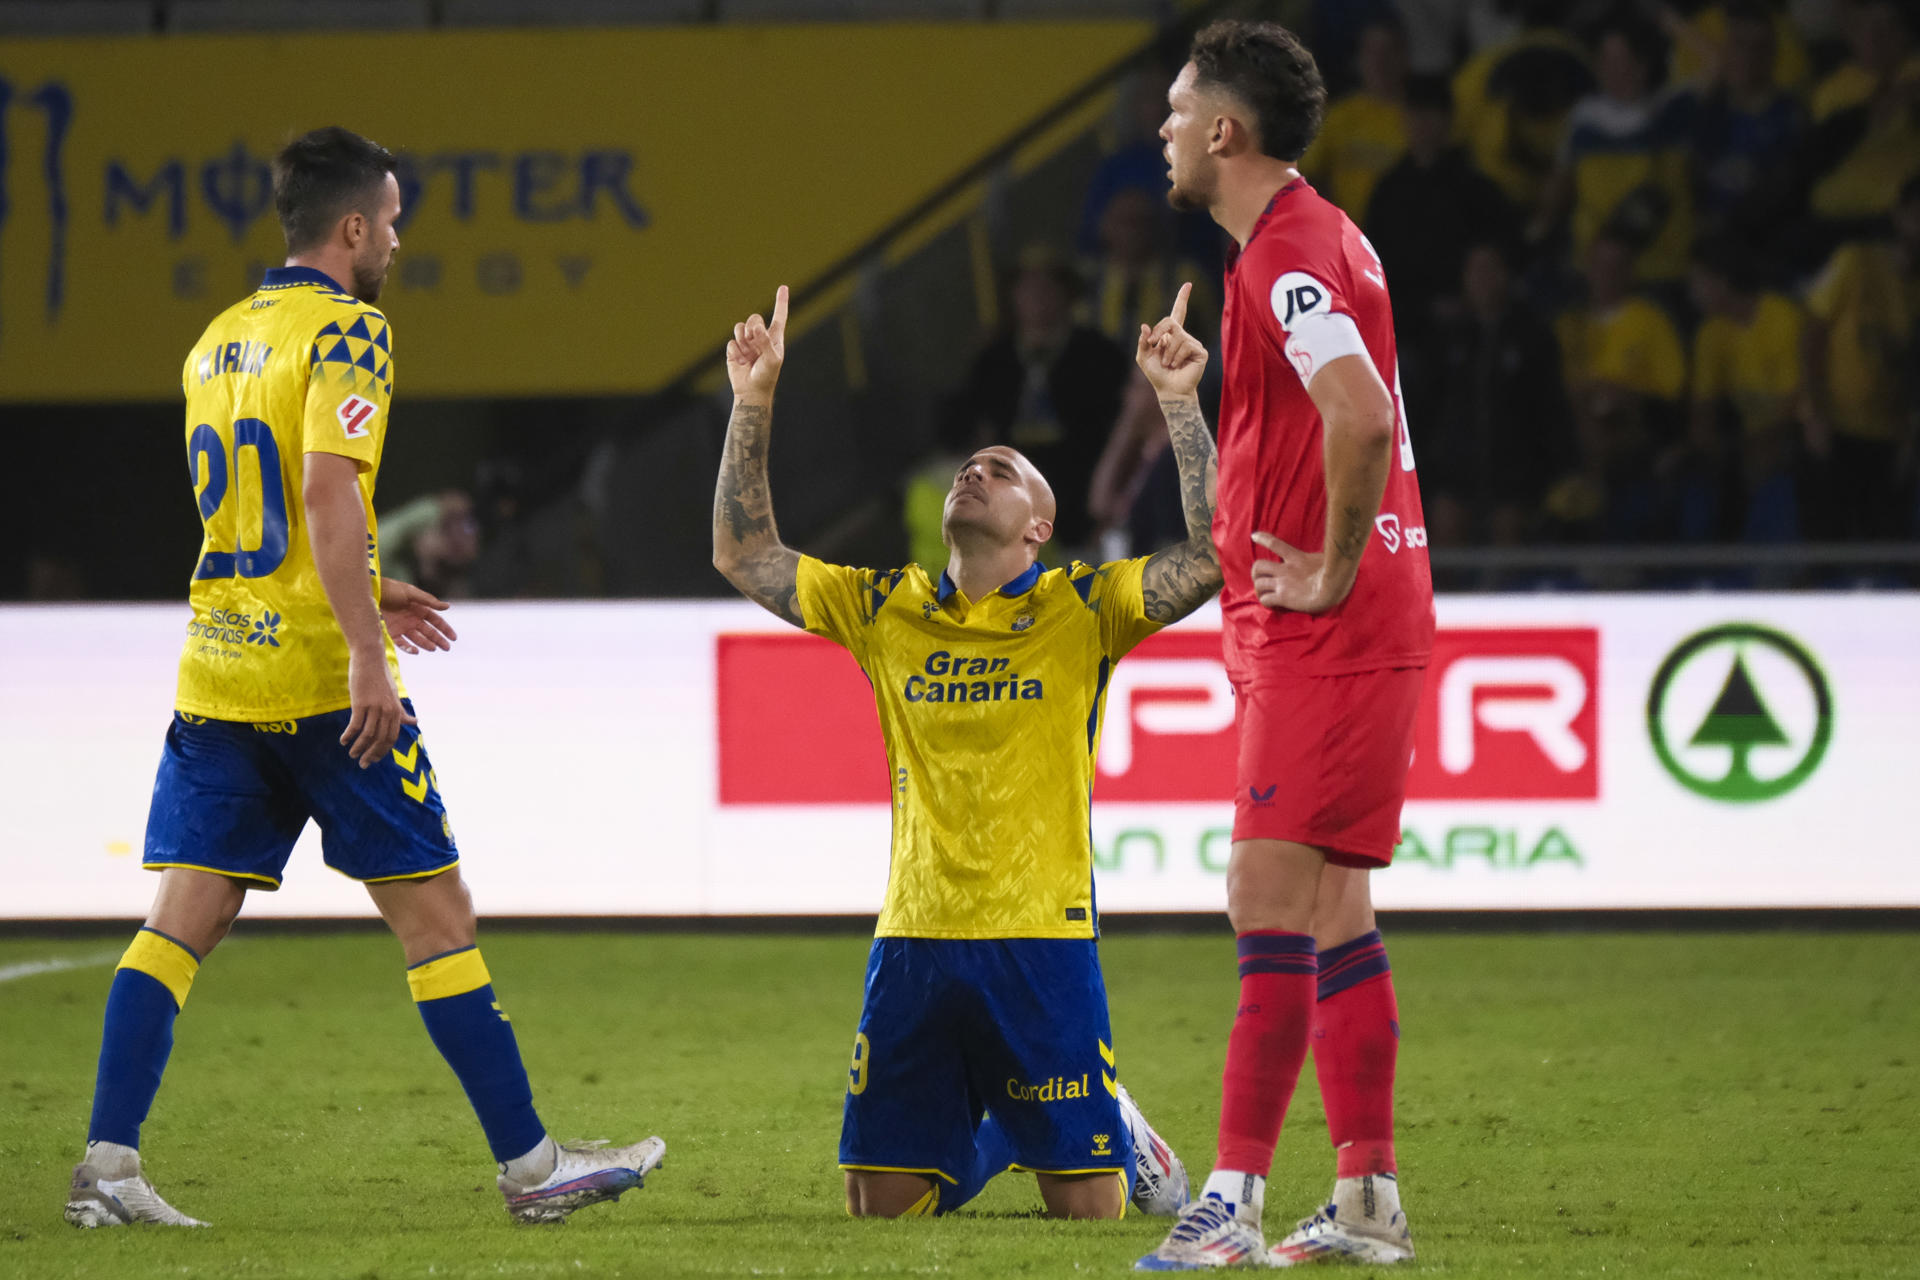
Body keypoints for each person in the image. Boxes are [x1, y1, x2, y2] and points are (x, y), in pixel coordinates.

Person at [64, 127, 662, 1230]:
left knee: (177, 926)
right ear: (351, 229)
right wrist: (365, 651)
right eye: (389, 220)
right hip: (321, 685)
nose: (394, 238)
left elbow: (257, 514)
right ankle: (535, 1169)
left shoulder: (217, 338)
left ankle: (106, 1164)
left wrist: (362, 592)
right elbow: (330, 495)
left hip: (218, 673)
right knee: (436, 915)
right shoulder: (351, 331)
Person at [712, 283, 1220, 1224]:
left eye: (1003, 469)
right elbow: (745, 555)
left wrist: (1180, 405)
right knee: (884, 1210)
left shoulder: (1085, 607)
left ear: (1038, 524)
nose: (973, 472)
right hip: (914, 934)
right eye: (968, 467)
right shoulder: (883, 606)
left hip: (1042, 937)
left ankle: (1112, 1129)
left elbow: (1217, 550)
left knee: (1090, 1216)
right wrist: (754, 400)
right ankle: (1002, 1126)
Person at [1138, 21, 1433, 1269]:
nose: (1160, 129)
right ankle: (1366, 1197)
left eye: (1174, 108)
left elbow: (1359, 415)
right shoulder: (1306, 243)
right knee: (1331, 910)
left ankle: (1233, 1202)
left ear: (1224, 130)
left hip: (1331, 630)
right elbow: (1315, 435)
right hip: (1337, 627)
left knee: (1263, 900)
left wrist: (1329, 566)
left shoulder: (1289, 257)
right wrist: (1188, 403)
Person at [946, 246, 1131, 551]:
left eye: (1048, 286)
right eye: (1027, 287)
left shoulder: (1099, 355)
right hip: (1012, 523)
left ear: (1067, 293)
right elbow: (976, 433)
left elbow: (1120, 433)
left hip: (1086, 512)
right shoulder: (993, 361)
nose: (1037, 296)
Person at [1800, 171, 1920, 539]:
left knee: (1882, 541)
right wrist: (1816, 414)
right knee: (1827, 539)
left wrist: (1909, 440)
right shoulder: (1856, 260)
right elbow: (1813, 332)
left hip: (1889, 436)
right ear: (1899, 215)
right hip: (1834, 427)